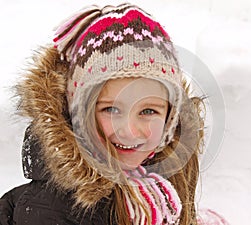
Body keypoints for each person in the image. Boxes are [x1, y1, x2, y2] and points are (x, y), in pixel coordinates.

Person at [0, 3, 229, 225]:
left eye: (148, 111)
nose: (129, 131)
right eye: (111, 109)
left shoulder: (160, 171)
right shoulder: (54, 209)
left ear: (170, 117)